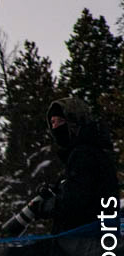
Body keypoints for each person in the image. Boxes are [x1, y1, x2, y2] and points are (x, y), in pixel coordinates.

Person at [33, 97, 119, 234]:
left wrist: (45, 206)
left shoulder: (84, 154)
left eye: (60, 121)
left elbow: (76, 201)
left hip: (85, 240)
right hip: (98, 237)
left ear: (74, 122)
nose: (55, 127)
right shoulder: (95, 150)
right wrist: (58, 189)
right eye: (52, 122)